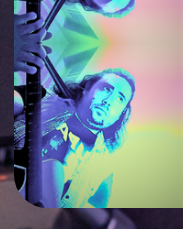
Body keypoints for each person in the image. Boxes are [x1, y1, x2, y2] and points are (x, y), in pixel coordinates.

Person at [32, 68, 136, 207]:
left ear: (121, 113)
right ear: (88, 87)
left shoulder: (104, 169)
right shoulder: (41, 113)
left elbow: (96, 212)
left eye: (119, 99)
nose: (108, 101)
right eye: (106, 89)